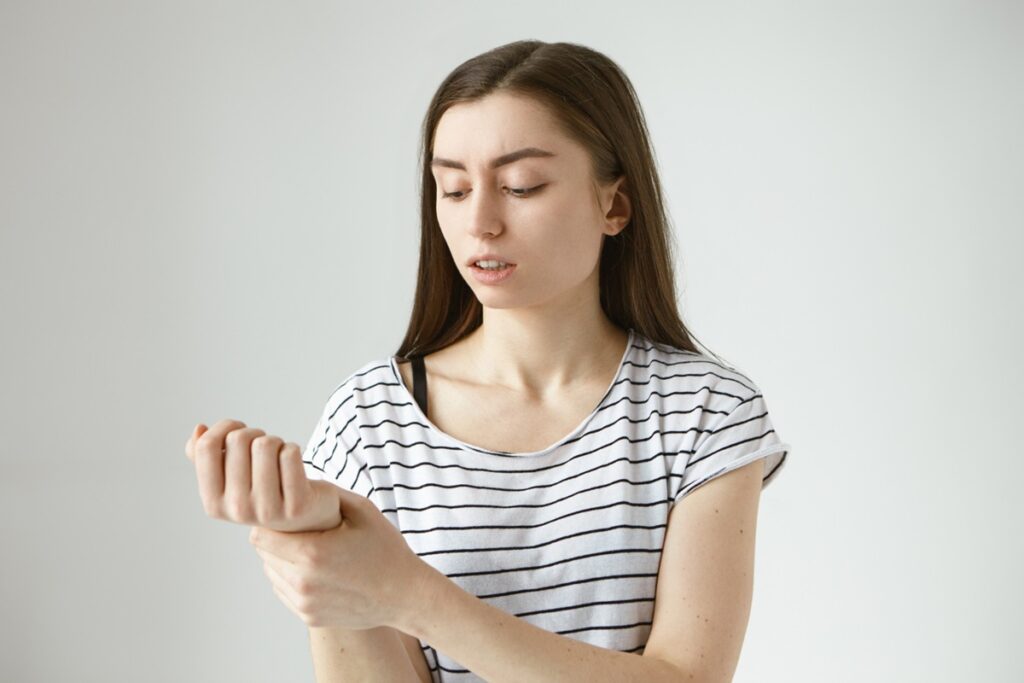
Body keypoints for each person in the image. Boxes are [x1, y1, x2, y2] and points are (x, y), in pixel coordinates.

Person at [186, 39, 791, 683]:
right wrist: (320, 544)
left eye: (520, 186)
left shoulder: (705, 410)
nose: (480, 222)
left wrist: (409, 592)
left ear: (613, 204)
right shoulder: (368, 420)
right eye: (453, 187)